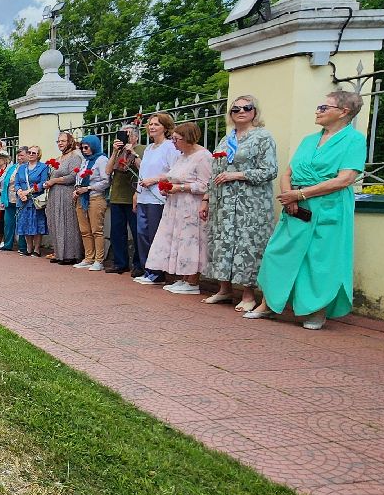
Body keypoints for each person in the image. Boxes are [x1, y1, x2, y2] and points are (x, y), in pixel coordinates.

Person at [248, 89, 368, 329]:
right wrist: (290, 198)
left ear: (344, 112)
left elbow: (345, 179)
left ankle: (316, 310)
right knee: (277, 251)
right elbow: (288, 173)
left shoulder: (354, 140)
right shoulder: (309, 140)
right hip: (296, 204)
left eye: (324, 107)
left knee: (320, 258)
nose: (318, 111)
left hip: (329, 206)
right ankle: (269, 304)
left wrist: (301, 194)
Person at [202, 96, 278, 311]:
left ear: (255, 112)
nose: (241, 111)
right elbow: (215, 172)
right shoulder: (226, 139)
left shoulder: (263, 137)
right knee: (223, 242)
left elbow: (270, 170)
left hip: (250, 204)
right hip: (224, 202)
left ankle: (248, 294)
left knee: (248, 245)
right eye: (235, 109)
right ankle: (224, 289)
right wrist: (206, 199)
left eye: (247, 108)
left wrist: (238, 175)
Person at [144, 121, 213, 294]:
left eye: (176, 139)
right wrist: (167, 187)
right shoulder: (182, 156)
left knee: (191, 241)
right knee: (178, 241)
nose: (173, 142)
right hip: (176, 205)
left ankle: (193, 281)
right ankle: (183, 277)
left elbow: (206, 185)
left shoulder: (203, 156)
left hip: (191, 205)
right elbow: (172, 176)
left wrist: (181, 188)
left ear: (188, 139)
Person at [133, 113, 179, 284]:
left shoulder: (170, 147)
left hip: (158, 197)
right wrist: (137, 193)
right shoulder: (148, 149)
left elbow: (174, 171)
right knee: (142, 234)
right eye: (150, 124)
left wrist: (155, 180)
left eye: (156, 124)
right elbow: (142, 172)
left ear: (166, 128)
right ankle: (148, 270)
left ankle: (158, 272)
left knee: (155, 235)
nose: (152, 127)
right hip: (144, 196)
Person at [104, 126, 142, 275]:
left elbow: (143, 168)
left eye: (128, 134)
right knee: (117, 232)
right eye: (122, 134)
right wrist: (115, 151)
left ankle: (139, 264)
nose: (125, 137)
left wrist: (131, 151)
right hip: (117, 197)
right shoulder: (118, 151)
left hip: (133, 196)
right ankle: (120, 263)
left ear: (136, 136)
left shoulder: (142, 149)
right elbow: (107, 171)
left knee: (137, 232)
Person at [41, 132, 83, 264]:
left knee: (68, 223)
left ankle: (71, 254)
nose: (60, 143)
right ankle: (60, 253)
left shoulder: (75, 157)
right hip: (54, 194)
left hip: (66, 193)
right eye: (58, 141)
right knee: (56, 223)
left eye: (63, 141)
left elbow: (73, 176)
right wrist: (49, 182)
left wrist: (54, 181)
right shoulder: (59, 158)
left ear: (70, 141)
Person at [72, 135, 110, 270]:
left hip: (95, 197)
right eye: (82, 148)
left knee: (96, 230)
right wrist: (77, 189)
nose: (84, 150)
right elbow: (80, 178)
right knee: (84, 230)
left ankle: (98, 260)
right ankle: (88, 257)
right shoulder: (85, 161)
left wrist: (88, 188)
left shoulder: (102, 160)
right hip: (82, 198)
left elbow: (106, 181)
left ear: (94, 146)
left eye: (86, 147)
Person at [14, 145, 51, 255]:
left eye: (33, 153)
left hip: (35, 200)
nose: (30, 154)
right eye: (29, 152)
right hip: (23, 200)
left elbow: (42, 183)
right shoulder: (21, 168)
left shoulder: (43, 167)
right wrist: (20, 192)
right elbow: (17, 183)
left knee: (37, 224)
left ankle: (37, 249)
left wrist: (28, 191)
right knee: (25, 223)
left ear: (38, 155)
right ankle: (29, 248)